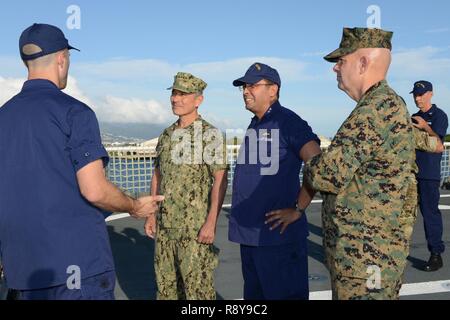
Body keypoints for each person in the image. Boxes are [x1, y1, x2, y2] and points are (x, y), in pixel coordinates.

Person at [0, 23, 164, 300]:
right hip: (77, 268)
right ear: (62, 58)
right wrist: (134, 206)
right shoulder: (75, 112)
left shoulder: (4, 117)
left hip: (23, 271)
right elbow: (94, 189)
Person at [303, 27, 444, 300]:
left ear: (363, 63)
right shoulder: (389, 103)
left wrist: (310, 156)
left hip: (364, 259)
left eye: (341, 61)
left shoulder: (374, 109)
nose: (335, 69)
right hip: (374, 254)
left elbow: (325, 175)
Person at [228, 63, 321, 300]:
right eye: (244, 86)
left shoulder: (287, 121)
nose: (245, 91)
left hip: (278, 239)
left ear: (273, 90)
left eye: (252, 85)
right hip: (251, 237)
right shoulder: (255, 124)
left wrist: (299, 209)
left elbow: (318, 166)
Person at [144, 72, 228, 300]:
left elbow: (220, 178)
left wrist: (211, 223)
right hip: (165, 228)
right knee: (166, 290)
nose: (176, 99)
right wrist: (151, 214)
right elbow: (158, 175)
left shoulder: (209, 134)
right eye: (174, 93)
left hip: (194, 230)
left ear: (198, 100)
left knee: (198, 293)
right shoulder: (167, 134)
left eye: (183, 94)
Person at [410, 80, 448, 272]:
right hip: (410, 174)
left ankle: (436, 255)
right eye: (415, 95)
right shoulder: (413, 117)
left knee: (430, 215)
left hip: (429, 174)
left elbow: (439, 143)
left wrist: (425, 126)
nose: (417, 98)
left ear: (430, 94)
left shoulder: (439, 116)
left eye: (421, 94)